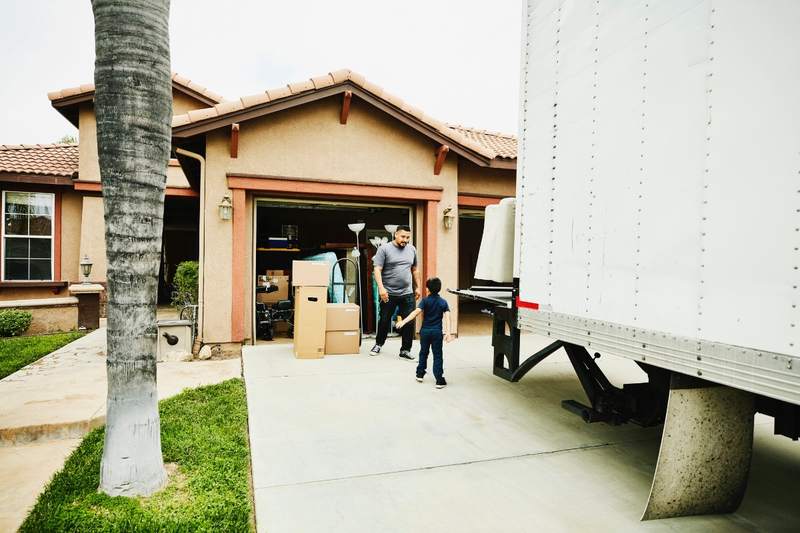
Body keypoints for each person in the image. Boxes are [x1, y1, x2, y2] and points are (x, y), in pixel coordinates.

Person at [371, 225, 420, 359]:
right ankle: (378, 344)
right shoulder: (384, 249)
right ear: (396, 235)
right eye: (403, 236)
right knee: (385, 320)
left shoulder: (412, 249)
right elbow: (377, 269)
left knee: (408, 321)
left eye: (408, 237)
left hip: (407, 293)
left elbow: (415, 269)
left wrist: (418, 286)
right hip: (389, 293)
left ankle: (405, 350)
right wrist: (381, 288)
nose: (405, 240)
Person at [395, 277, 453, 388]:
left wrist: (403, 321)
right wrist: (448, 333)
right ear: (439, 288)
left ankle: (420, 374)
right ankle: (439, 380)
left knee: (423, 353)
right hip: (436, 333)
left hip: (425, 332)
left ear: (427, 289)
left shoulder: (425, 301)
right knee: (437, 355)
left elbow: (415, 312)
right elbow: (447, 317)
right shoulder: (443, 302)